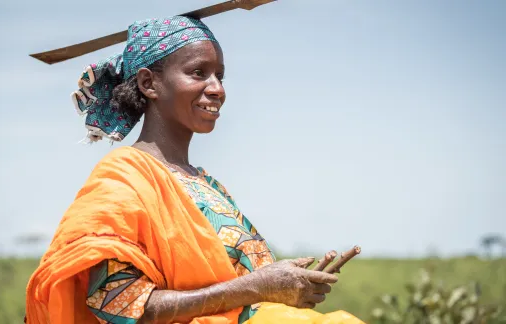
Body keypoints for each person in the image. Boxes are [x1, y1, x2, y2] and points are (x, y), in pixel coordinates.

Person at [25, 15, 364, 324]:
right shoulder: (122, 181)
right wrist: (258, 288)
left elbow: (244, 296)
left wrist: (291, 291)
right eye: (198, 73)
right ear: (149, 84)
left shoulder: (206, 184)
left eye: (220, 75)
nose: (217, 89)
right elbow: (118, 304)